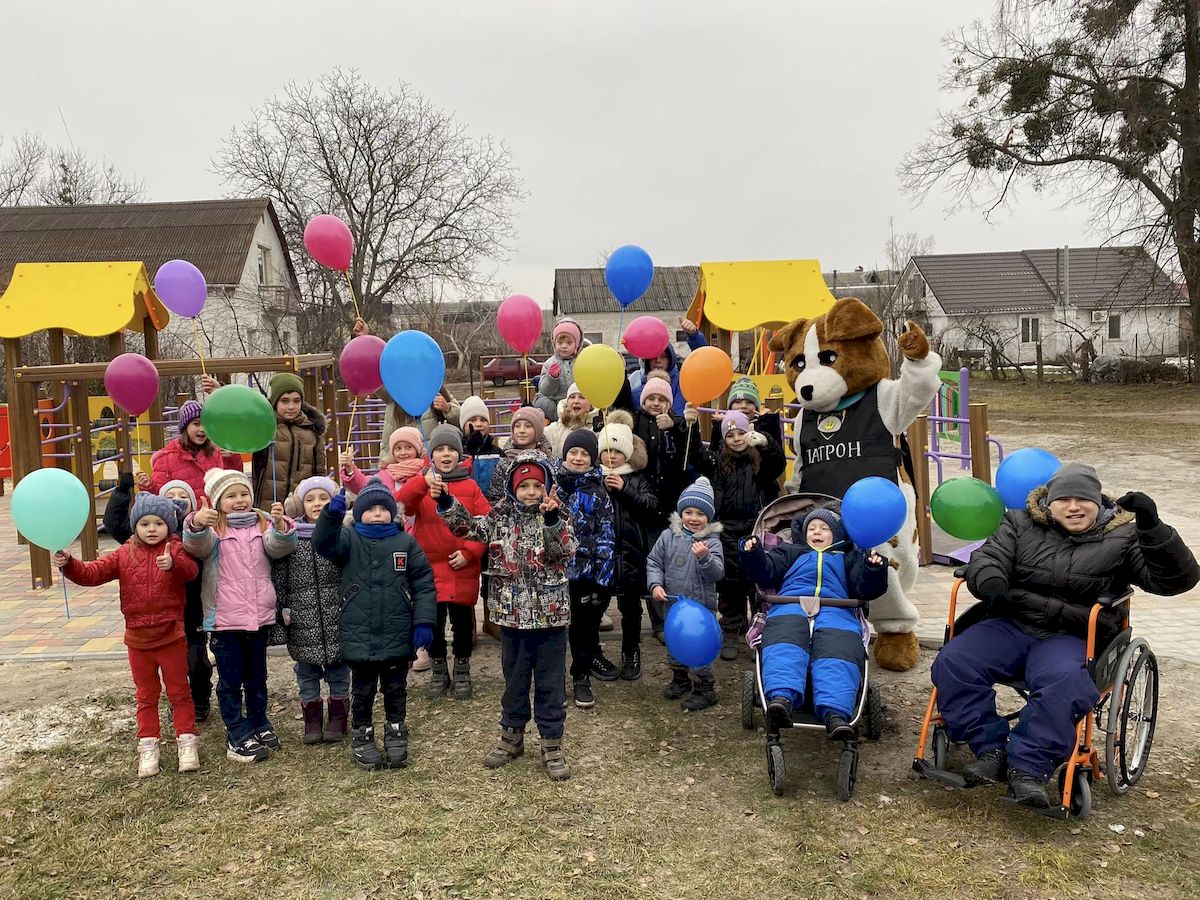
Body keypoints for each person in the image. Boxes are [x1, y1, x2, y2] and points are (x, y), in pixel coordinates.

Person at [931, 464, 1199, 808]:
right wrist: (990, 581)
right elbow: (989, 557)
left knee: (1064, 684)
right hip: (1013, 623)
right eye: (1064, 499)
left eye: (1083, 499)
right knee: (955, 661)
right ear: (1048, 503)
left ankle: (1027, 768)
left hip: (1073, 635)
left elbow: (1177, 581)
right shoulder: (1018, 522)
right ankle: (990, 749)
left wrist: (1154, 529)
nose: (1074, 507)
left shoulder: (1124, 535)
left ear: (1098, 503)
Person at [436, 451, 579, 780]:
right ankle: (511, 737)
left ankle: (552, 743)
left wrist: (553, 521)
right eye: (524, 485)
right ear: (513, 488)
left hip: (551, 619)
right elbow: (467, 528)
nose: (531, 492)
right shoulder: (498, 519)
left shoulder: (559, 517)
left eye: (537, 485)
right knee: (514, 681)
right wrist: (446, 502)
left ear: (547, 488)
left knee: (550, 683)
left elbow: (565, 550)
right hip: (512, 620)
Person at [56, 494, 201, 777]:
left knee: (179, 692)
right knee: (146, 695)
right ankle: (148, 747)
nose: (151, 529)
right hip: (138, 640)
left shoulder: (176, 548)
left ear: (168, 525)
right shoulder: (124, 553)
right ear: (135, 526)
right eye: (144, 523)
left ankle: (187, 742)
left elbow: (192, 571)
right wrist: (69, 564)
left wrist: (174, 565)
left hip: (171, 635)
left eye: (158, 523)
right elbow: (92, 573)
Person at [314, 479, 438, 771]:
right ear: (358, 514)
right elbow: (323, 543)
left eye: (384, 508)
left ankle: (396, 731)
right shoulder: (348, 539)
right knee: (364, 689)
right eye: (371, 509)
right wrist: (330, 516)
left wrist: (424, 621)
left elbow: (423, 582)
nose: (378, 513)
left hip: (397, 630)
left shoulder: (405, 542)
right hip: (360, 632)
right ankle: (363, 733)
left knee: (396, 688)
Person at [740, 508, 888, 737]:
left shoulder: (847, 558)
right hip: (790, 605)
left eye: (824, 528)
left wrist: (873, 569)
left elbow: (865, 588)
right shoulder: (790, 552)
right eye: (812, 528)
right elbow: (766, 573)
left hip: (837, 609)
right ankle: (781, 698)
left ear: (837, 535)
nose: (816, 532)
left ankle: (836, 713)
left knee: (838, 647)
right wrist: (754, 553)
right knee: (785, 639)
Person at [183, 468, 296, 764]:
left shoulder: (262, 523)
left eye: (244, 493)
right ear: (219, 501)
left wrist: (282, 527)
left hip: (257, 617)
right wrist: (195, 522)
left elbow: (278, 547)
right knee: (230, 681)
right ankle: (236, 731)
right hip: (225, 621)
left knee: (257, 677)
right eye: (231, 496)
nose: (239, 500)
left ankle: (259, 721)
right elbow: (195, 545)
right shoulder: (214, 529)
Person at [396, 424, 491, 701]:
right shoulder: (423, 484)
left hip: (462, 567)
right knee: (433, 623)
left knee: (462, 625)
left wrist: (471, 552)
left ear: (460, 455)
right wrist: (420, 483)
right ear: (431, 455)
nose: (446, 454)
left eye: (451, 449)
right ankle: (439, 669)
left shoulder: (471, 487)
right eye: (439, 449)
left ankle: (462, 668)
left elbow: (485, 525)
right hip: (429, 569)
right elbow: (402, 504)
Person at [273, 476, 350, 745]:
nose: (317, 504)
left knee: (339, 670)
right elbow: (280, 576)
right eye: (310, 499)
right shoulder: (291, 536)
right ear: (300, 504)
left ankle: (339, 718)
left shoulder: (342, 533)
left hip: (336, 616)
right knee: (306, 672)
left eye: (323, 498)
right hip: (301, 618)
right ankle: (312, 719)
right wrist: (281, 610)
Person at [709, 410, 787, 661]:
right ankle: (731, 628)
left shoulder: (760, 461)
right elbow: (702, 458)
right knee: (730, 583)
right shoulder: (720, 461)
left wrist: (767, 442)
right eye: (730, 435)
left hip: (756, 527)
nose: (736, 438)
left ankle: (760, 632)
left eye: (741, 432)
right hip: (728, 529)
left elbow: (778, 463)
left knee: (757, 582)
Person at [646, 477, 726, 710]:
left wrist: (705, 558)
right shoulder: (667, 536)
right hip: (673, 605)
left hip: (700, 608)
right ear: (680, 513)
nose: (693, 518)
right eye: (688, 512)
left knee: (698, 646)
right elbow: (654, 562)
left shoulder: (712, 542)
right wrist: (655, 585)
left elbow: (717, 573)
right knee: (675, 643)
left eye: (700, 514)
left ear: (708, 518)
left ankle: (705, 688)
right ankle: (679, 679)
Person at [555, 429, 617, 708]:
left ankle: (581, 675)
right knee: (554, 629)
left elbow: (606, 534)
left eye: (584, 454)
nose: (578, 458)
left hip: (584, 572)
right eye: (573, 453)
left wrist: (603, 574)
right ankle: (553, 681)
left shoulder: (599, 491)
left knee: (584, 626)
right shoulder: (552, 486)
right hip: (554, 572)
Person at [598, 410, 659, 681]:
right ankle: (592, 652)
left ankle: (631, 651)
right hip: (602, 555)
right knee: (596, 605)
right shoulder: (593, 477)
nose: (611, 457)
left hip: (631, 554)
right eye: (606, 451)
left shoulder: (637, 477)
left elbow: (651, 507)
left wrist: (625, 489)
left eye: (617, 451)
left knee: (631, 609)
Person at [350, 317, 461, 450]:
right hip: (397, 463)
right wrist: (364, 339)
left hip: (426, 463)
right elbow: (372, 368)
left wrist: (447, 408)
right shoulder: (392, 389)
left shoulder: (434, 389)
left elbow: (462, 419)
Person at [138, 399, 244, 502]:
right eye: (196, 424)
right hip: (183, 517)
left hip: (215, 516)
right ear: (185, 427)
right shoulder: (166, 458)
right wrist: (148, 486)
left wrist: (232, 457)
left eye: (206, 424)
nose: (202, 429)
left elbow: (234, 483)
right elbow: (159, 495)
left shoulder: (216, 452)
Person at [252, 373, 327, 510]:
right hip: (268, 505)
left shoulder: (311, 431)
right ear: (275, 402)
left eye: (296, 401)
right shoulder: (264, 427)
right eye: (285, 401)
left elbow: (319, 471)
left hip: (301, 506)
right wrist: (218, 390)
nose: (291, 406)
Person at [627, 318, 709, 416]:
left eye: (664, 357)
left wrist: (694, 336)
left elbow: (703, 362)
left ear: (671, 359)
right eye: (653, 357)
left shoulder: (683, 384)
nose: (658, 360)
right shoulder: (636, 391)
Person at [340, 426, 427, 497]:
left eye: (408, 447)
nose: (403, 453)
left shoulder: (426, 472)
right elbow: (363, 485)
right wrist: (350, 468)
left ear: (417, 449)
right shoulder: (386, 475)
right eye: (398, 448)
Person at [486, 407, 550, 504]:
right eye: (517, 426)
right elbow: (495, 497)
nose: (521, 431)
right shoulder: (504, 462)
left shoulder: (547, 461)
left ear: (538, 431)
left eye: (528, 426)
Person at [534, 317, 585, 424]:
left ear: (577, 344)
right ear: (554, 343)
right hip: (556, 404)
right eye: (560, 342)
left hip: (578, 403)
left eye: (569, 343)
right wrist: (552, 378)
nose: (563, 346)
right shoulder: (550, 364)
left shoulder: (582, 361)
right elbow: (544, 390)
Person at [543, 384, 603, 460]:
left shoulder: (600, 430)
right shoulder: (552, 430)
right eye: (572, 397)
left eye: (582, 397)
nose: (576, 401)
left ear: (591, 403)